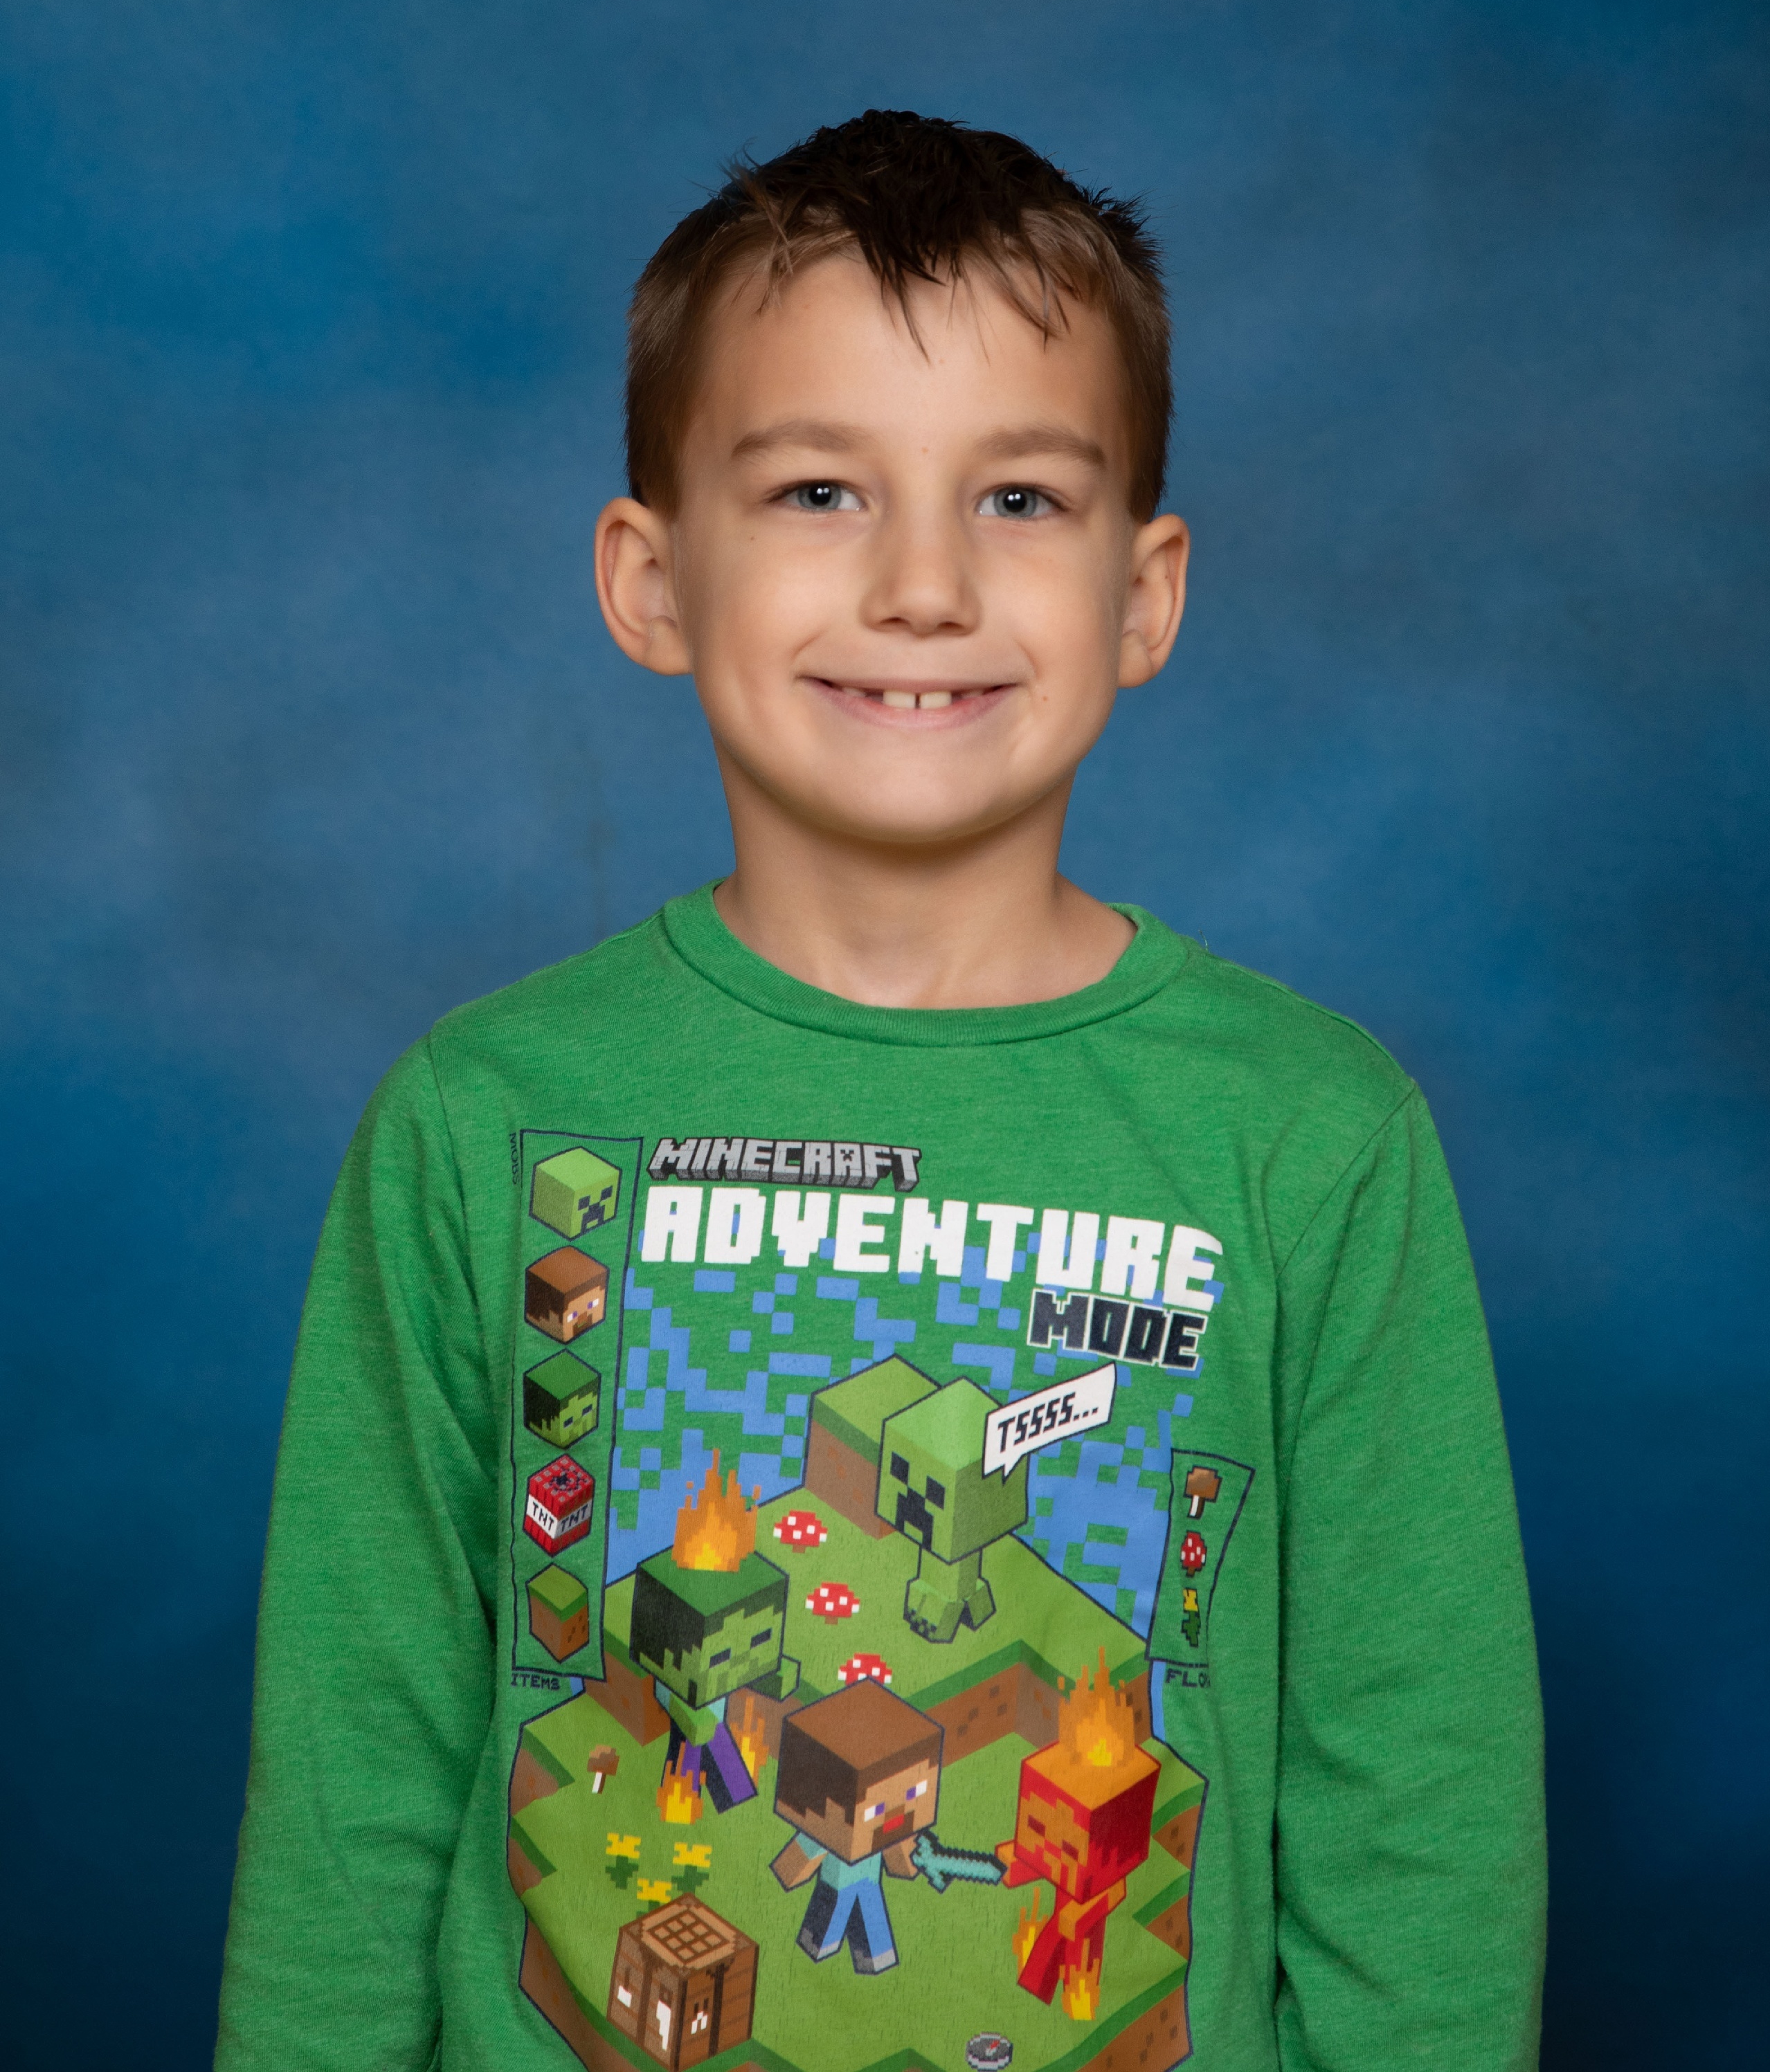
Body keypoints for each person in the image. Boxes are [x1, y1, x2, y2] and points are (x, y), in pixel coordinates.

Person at [215, 109, 1546, 2072]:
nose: (925, 582)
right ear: (653, 580)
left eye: (1019, 497)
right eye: (821, 489)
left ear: (1145, 593)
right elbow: (355, 1782)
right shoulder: (479, 1116)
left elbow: (1418, 1812)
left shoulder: (1312, 1136)